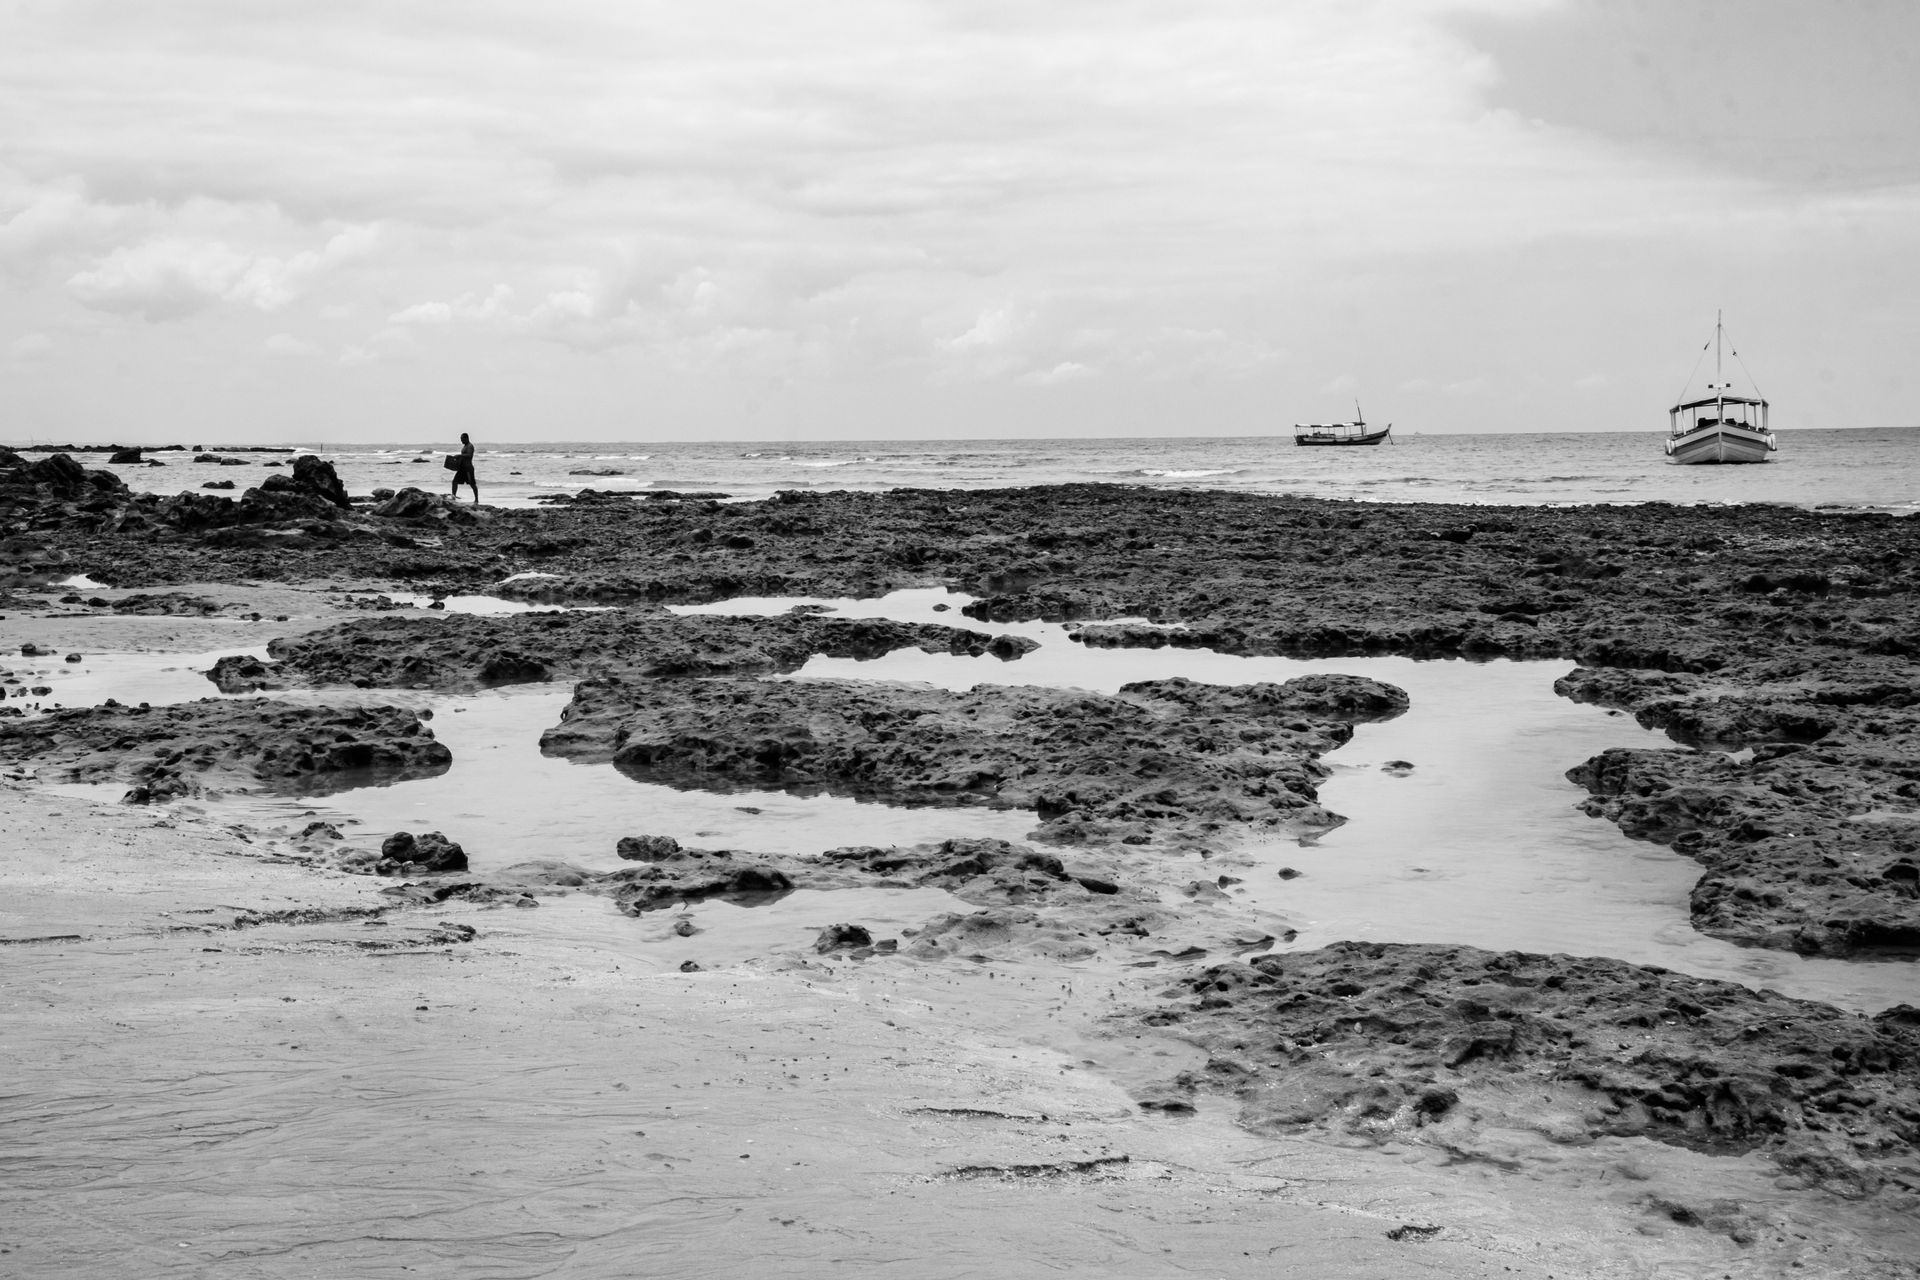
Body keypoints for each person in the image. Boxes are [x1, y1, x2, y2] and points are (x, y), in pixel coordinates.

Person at [450, 432, 478, 503]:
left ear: (466, 438)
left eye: (462, 439)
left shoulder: (470, 446)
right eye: (460, 439)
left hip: (468, 469)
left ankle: (476, 499)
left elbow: (469, 455)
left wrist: (459, 456)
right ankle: (453, 496)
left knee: (472, 484)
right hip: (462, 468)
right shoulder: (464, 446)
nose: (461, 441)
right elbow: (463, 457)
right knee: (454, 481)